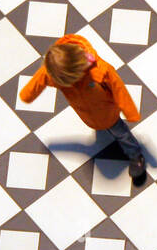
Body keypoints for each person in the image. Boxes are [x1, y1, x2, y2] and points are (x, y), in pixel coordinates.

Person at [20, 36, 147, 187]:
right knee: (103, 128)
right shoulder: (55, 71)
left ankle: (135, 156)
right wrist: (27, 94)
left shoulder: (101, 71)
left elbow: (119, 90)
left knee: (122, 134)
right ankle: (103, 129)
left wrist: (130, 112)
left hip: (108, 114)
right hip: (87, 115)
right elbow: (40, 79)